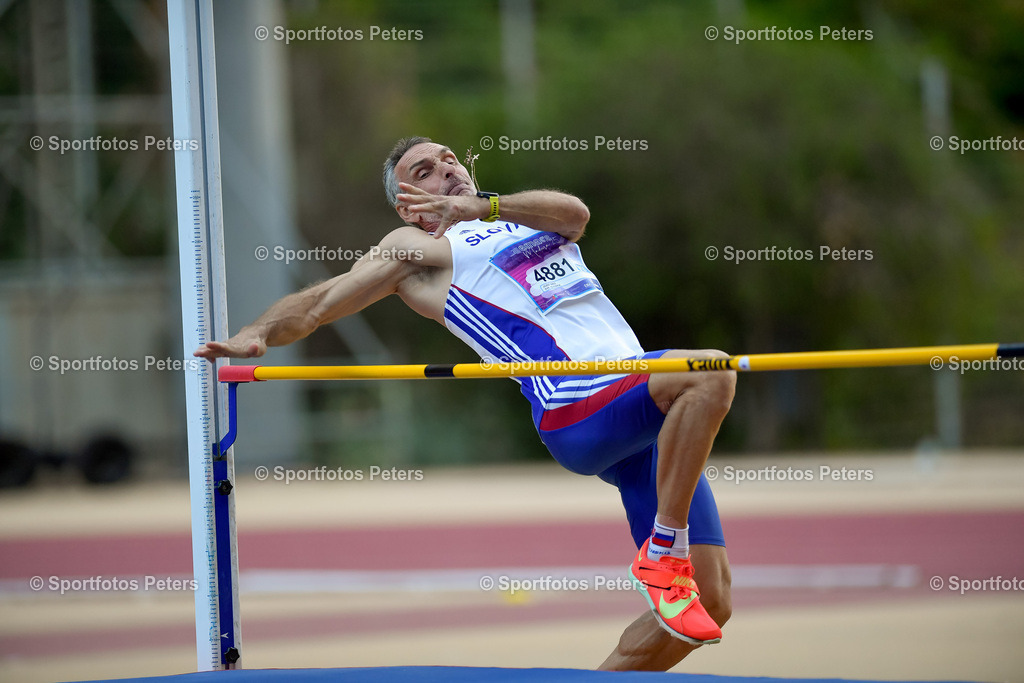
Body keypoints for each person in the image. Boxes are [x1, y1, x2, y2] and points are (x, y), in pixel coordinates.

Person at [195, 137, 736, 672]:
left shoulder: (526, 219)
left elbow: (576, 213)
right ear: (408, 204)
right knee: (709, 373)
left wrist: (482, 206)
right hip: (578, 404)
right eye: (424, 170)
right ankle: (664, 552)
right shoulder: (416, 251)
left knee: (712, 599)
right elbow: (320, 303)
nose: (445, 168)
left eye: (449, 158)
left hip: (641, 418)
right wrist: (258, 329)